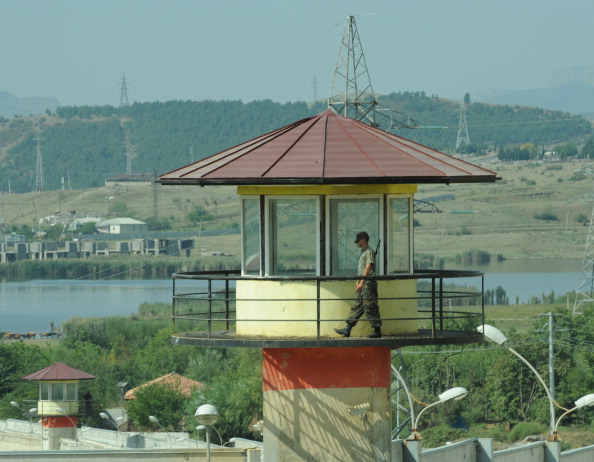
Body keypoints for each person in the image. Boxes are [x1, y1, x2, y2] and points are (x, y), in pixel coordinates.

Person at [334, 231, 382, 339]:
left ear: (363, 239)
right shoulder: (363, 252)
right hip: (363, 283)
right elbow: (361, 270)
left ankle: (377, 331)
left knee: (370, 307)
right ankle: (347, 329)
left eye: (358, 241)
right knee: (356, 306)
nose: (357, 243)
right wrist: (358, 281)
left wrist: (361, 282)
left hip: (368, 284)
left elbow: (368, 267)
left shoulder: (368, 252)